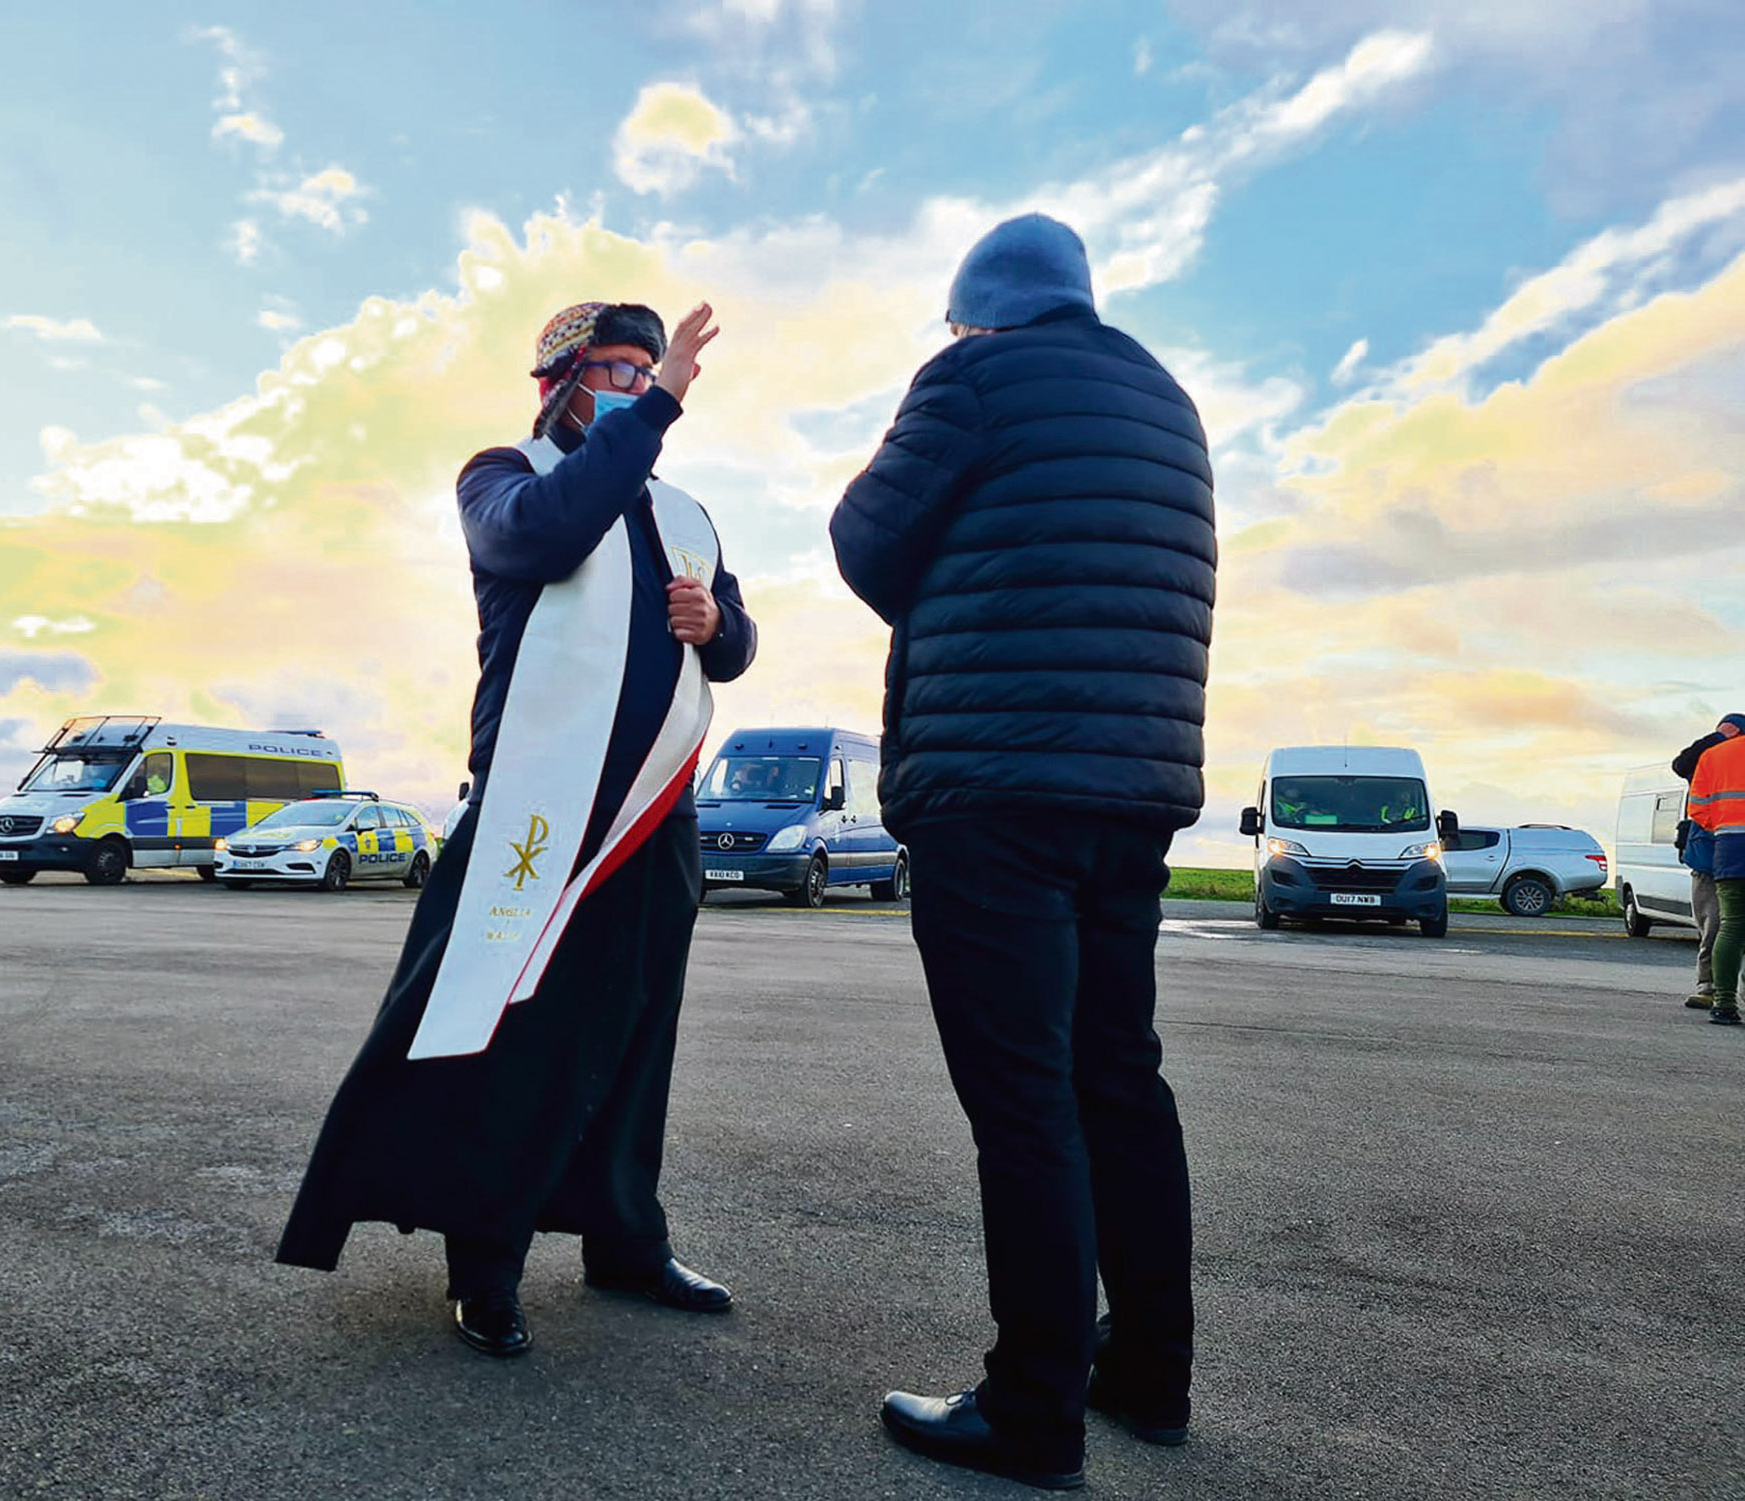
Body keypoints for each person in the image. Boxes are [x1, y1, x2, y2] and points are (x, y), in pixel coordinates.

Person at [277, 300, 757, 1357]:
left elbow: (731, 643)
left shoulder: (682, 510)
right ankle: (482, 1260)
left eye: (648, 370)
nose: (638, 386)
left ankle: (626, 1240)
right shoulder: (504, 475)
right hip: (537, 807)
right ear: (560, 380)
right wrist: (661, 406)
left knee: (637, 1033)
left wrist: (719, 627)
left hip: (651, 811)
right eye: (618, 371)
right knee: (508, 1032)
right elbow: (546, 537)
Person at [830, 213, 1215, 1491]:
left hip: (996, 790)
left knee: (1023, 1105)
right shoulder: (1165, 397)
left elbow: (865, 541)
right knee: (1120, 1079)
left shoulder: (974, 376)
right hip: (1134, 787)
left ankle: (1030, 1409)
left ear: (978, 307)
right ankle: (1147, 1372)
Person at [1672, 719, 1740, 1009]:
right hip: (1710, 856)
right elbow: (1681, 764)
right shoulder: (1710, 758)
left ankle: (1719, 993)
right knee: (1714, 925)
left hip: (1722, 849)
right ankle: (1709, 987)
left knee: (1728, 926)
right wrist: (1715, 737)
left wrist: (1720, 829)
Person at [1686, 712, 1745, 1026]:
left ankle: (1723, 1003)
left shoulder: (1713, 756)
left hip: (1729, 847)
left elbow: (1696, 808)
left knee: (1731, 927)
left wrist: (1722, 827)